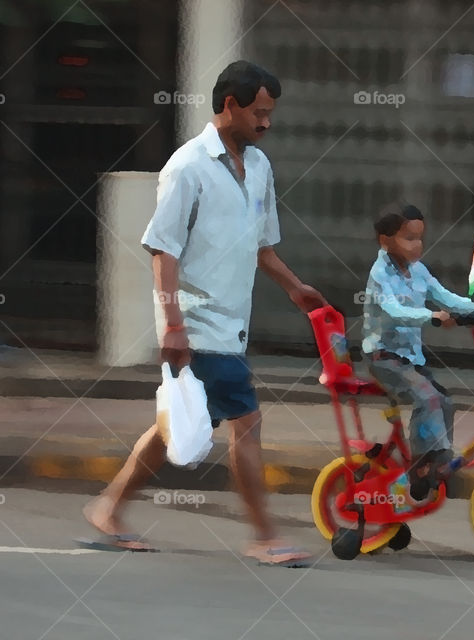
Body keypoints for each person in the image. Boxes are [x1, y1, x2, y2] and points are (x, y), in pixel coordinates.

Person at [83, 61, 326, 565]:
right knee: (247, 423)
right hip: (196, 322)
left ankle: (108, 509)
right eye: (258, 113)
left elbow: (263, 248)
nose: (266, 124)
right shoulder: (187, 166)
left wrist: (296, 289)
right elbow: (162, 251)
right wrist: (173, 325)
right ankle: (263, 536)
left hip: (232, 323)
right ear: (231, 105)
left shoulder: (258, 167)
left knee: (174, 428)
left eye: (270, 114)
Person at [362, 202, 474, 500]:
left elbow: (446, 297)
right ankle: (420, 466)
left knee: (444, 400)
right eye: (409, 238)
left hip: (409, 359)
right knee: (426, 398)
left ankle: (438, 459)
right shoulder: (380, 275)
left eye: (419, 238)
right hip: (383, 357)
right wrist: (432, 317)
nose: (417, 246)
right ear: (385, 241)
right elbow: (393, 311)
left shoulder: (419, 271)